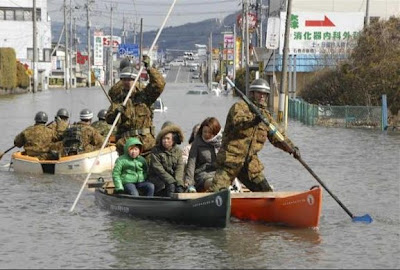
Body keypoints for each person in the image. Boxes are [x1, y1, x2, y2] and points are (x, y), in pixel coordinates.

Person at [208, 78, 301, 192]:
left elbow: (277, 136)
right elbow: (238, 122)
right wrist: (254, 119)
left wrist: (292, 148)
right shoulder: (239, 107)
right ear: (252, 93)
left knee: (266, 193)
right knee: (216, 192)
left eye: (264, 94)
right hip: (230, 160)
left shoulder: (266, 117)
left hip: (250, 164)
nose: (262, 96)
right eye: (259, 93)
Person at [105, 55, 166, 156]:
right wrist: (117, 112)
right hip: (126, 145)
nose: (126, 82)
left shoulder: (145, 94)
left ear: (135, 79)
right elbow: (109, 119)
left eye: (129, 79)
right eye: (124, 79)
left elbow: (159, 84)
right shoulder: (118, 98)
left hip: (146, 144)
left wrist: (149, 68)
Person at [184, 117, 222, 192]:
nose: (207, 134)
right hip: (203, 174)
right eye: (205, 132)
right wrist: (189, 183)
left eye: (210, 132)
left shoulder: (222, 142)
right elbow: (191, 163)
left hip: (219, 173)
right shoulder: (197, 143)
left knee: (226, 182)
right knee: (215, 183)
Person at [148, 121, 185, 197]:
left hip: (173, 178)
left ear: (173, 139)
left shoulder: (178, 151)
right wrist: (170, 180)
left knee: (179, 187)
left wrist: (178, 181)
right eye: (164, 138)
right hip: (158, 178)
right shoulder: (156, 150)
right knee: (169, 186)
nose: (165, 141)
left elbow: (179, 168)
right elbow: (158, 169)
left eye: (168, 138)